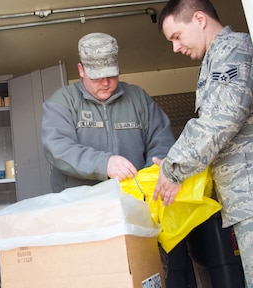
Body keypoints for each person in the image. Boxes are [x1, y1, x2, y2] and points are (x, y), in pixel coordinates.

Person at [152, 0, 253, 286]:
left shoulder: (233, 49)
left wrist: (173, 169)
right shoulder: (216, 58)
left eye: (176, 36)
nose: (175, 47)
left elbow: (220, 119)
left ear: (199, 19)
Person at [41, 32, 175, 193]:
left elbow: (162, 141)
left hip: (133, 200)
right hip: (80, 205)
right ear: (81, 70)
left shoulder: (138, 97)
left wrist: (149, 178)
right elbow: (58, 148)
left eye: (111, 75)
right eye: (97, 77)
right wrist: (104, 163)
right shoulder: (62, 101)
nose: (105, 83)